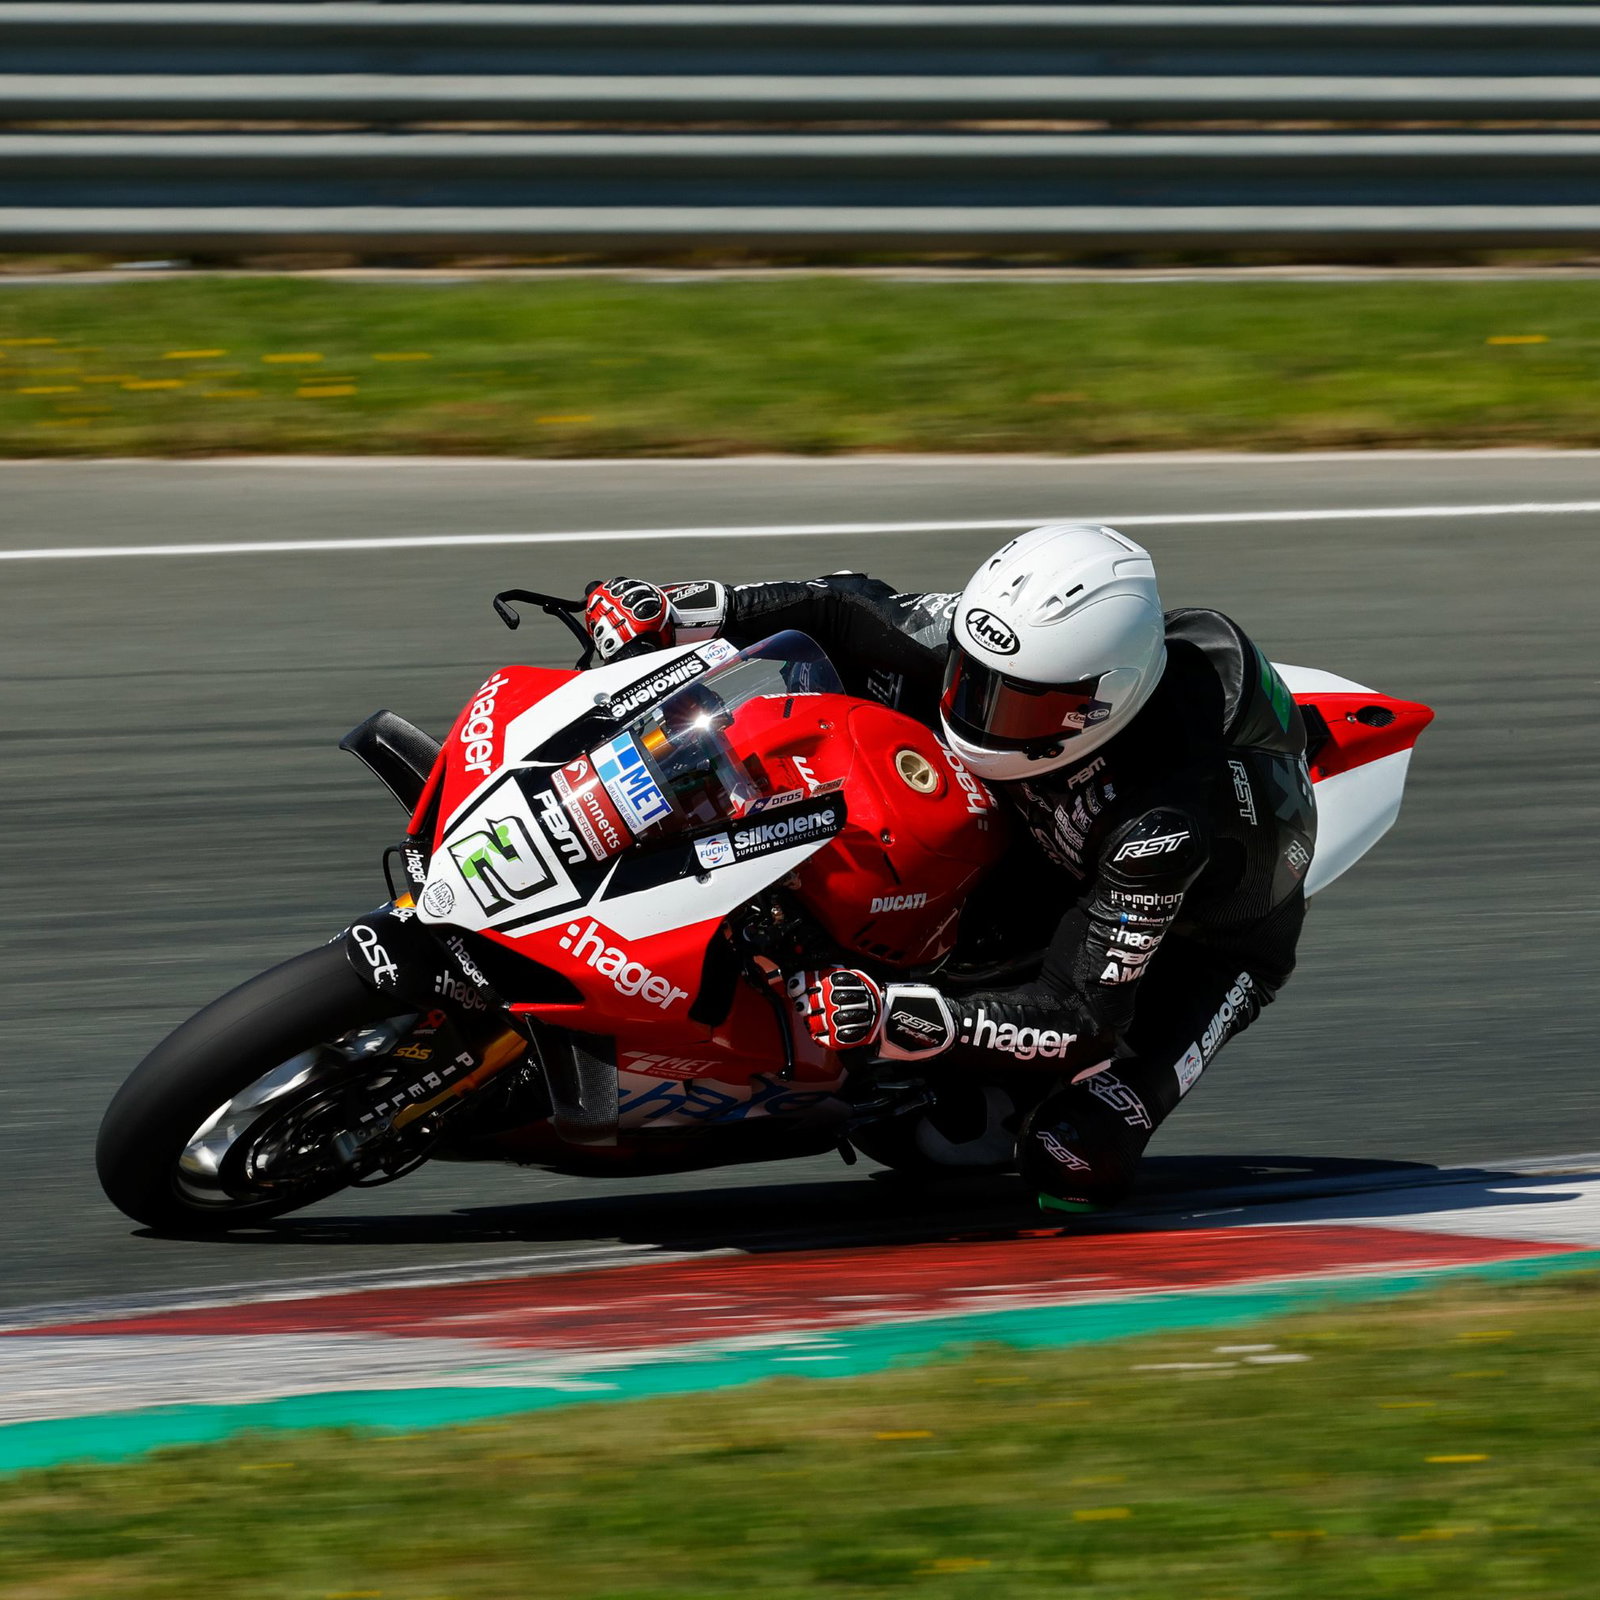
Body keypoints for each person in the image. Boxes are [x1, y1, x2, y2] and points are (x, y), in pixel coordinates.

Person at [581, 526, 1316, 1211]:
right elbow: (846, 606)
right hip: (1035, 835)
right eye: (971, 677)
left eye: (1013, 704)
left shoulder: (1158, 826)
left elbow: (1081, 1015)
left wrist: (904, 1018)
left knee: (1074, 1161)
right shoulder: (1015, 648)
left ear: (1096, 707)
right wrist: (685, 609)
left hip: (1209, 942)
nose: (975, 709)